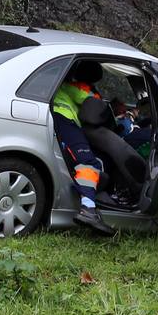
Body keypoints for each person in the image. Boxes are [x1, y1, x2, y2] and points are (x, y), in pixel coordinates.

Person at [51, 60, 114, 235]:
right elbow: (93, 104)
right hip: (64, 121)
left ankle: (85, 198)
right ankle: (88, 209)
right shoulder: (74, 86)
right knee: (87, 163)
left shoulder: (58, 82)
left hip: (60, 120)